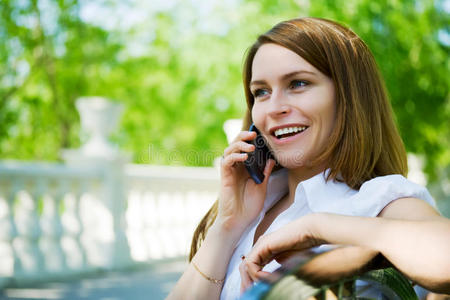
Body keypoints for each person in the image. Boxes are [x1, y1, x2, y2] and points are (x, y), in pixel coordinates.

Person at [167, 17, 450, 300]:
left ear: (349, 97)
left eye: (298, 83)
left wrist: (316, 228)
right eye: (261, 92)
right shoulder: (253, 208)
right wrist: (228, 224)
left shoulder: (379, 199)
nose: (274, 108)